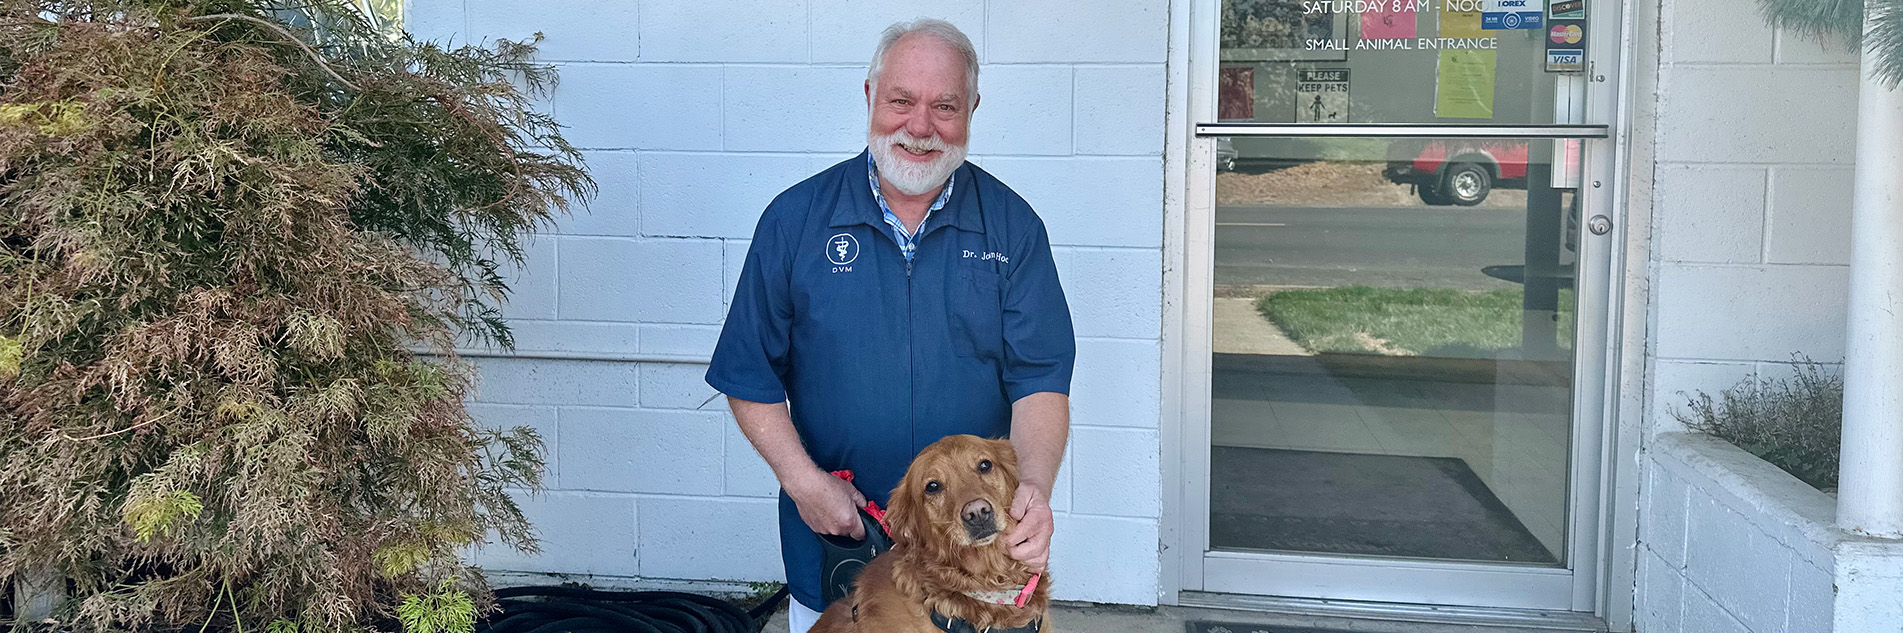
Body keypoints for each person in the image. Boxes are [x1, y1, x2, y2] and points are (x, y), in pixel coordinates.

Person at [703, 18, 1076, 633]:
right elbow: (749, 373)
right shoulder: (794, 222)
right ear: (871, 96)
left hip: (978, 560)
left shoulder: (1014, 230)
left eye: (944, 107)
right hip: (839, 543)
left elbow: (1040, 380)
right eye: (902, 100)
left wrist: (1031, 487)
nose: (920, 127)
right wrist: (804, 483)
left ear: (972, 110)